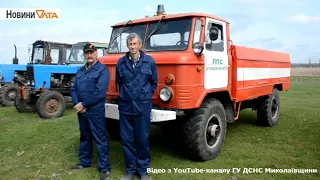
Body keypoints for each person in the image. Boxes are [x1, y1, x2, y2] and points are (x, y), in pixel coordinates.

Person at [116, 33, 158, 180]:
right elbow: (119, 82)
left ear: (140, 45)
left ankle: (143, 171)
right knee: (126, 139)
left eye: (134, 44)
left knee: (142, 139)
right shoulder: (121, 63)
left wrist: (145, 95)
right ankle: (130, 170)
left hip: (142, 107)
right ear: (127, 45)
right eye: (130, 44)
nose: (132, 47)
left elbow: (154, 82)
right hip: (126, 106)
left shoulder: (149, 62)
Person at [70, 43, 111, 180]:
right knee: (85, 137)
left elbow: (99, 93)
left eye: (91, 53)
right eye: (87, 53)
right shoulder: (80, 71)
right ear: (84, 55)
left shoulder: (102, 70)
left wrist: (84, 104)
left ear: (96, 54)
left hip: (95, 111)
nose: (89, 55)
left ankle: (104, 168)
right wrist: (77, 104)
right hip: (82, 111)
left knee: (100, 139)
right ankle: (85, 162)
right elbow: (74, 88)